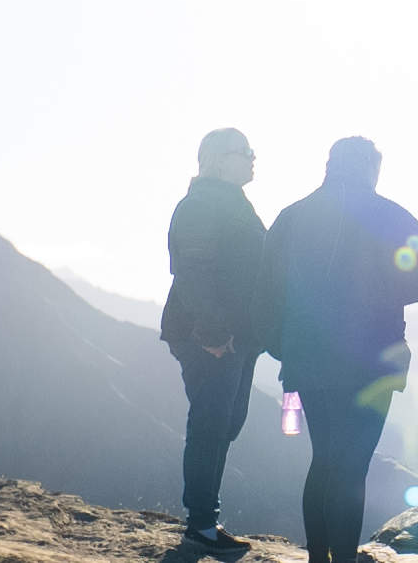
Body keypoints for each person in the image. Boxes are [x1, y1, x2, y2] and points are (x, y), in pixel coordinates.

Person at [265, 136, 418, 563]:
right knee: (353, 464)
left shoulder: (291, 216)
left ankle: (316, 558)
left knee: (323, 458)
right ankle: (342, 557)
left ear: (330, 165)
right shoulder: (391, 216)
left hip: (306, 358)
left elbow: (265, 288)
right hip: (370, 360)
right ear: (371, 170)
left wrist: (280, 346)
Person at [160, 128, 267, 557]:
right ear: (219, 160)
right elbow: (193, 272)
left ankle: (205, 523)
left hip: (233, 337)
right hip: (209, 338)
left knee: (223, 425)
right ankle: (201, 527)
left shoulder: (227, 201)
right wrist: (213, 334)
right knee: (210, 426)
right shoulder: (202, 204)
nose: (254, 160)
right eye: (247, 152)